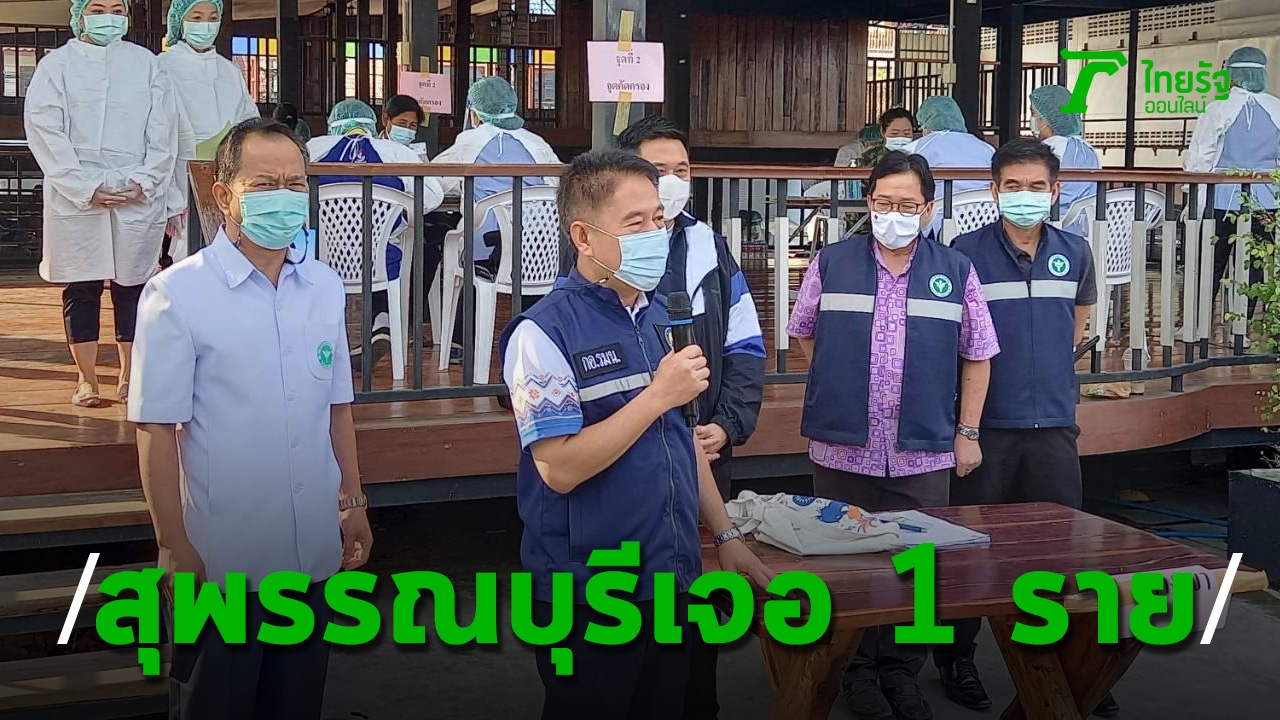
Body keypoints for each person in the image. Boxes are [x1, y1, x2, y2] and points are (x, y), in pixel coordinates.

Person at [499, 150, 774, 720]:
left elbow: (683, 438)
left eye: (658, 219)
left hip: (671, 576)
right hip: (589, 591)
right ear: (584, 236)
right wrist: (656, 397)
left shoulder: (658, 318)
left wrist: (725, 535)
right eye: (635, 223)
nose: (655, 233)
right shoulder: (542, 333)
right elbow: (559, 468)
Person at [128, 117, 373, 719]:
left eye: (295, 183)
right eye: (263, 184)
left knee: (296, 704)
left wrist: (353, 502)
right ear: (223, 195)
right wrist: (173, 545)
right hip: (221, 561)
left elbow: (336, 407)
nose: (282, 197)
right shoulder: (176, 295)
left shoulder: (323, 286)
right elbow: (156, 430)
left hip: (309, 557)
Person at [787, 151, 998, 720]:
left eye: (907, 205)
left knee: (917, 565)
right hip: (842, 446)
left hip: (922, 449)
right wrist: (841, 384)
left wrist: (968, 432)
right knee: (847, 564)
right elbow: (805, 333)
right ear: (868, 202)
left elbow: (978, 354)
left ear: (927, 209)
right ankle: (854, 670)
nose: (894, 214)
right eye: (883, 203)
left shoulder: (955, 270)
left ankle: (902, 673)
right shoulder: (832, 262)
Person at [934, 137, 1115, 717]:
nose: (1025, 195)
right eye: (1012, 185)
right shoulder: (965, 254)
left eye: (1037, 186)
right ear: (994, 190)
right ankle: (956, 658)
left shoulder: (1076, 251)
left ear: (1055, 191)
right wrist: (964, 426)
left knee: (1057, 551)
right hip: (986, 427)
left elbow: (1077, 323)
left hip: (1055, 425)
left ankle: (1065, 663)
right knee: (967, 549)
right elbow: (955, 338)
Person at [616, 115, 766, 720]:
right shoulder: (603, 255)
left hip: (704, 455)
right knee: (628, 621)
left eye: (683, 169)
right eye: (660, 171)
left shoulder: (708, 245)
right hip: (626, 465)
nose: (674, 181)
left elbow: (746, 345)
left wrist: (726, 425)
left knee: (698, 610)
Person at [24, 0, 177, 408]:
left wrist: (145, 180)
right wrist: (83, 186)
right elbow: (44, 129)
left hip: (134, 193)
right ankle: (86, 378)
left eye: (116, 8)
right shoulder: (56, 66)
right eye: (97, 8)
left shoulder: (147, 65)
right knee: (82, 285)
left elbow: (164, 129)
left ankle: (129, 375)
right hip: (76, 196)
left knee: (132, 285)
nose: (108, 17)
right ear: (79, 15)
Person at [430, 75, 561, 360]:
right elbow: (557, 185)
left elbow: (434, 182)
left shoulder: (470, 141)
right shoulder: (537, 143)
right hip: (540, 249)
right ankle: (533, 343)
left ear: (475, 113)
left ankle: (460, 342)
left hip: (488, 248)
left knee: (467, 259)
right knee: (524, 270)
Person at [308, 99, 438, 372]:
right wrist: (401, 208)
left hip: (321, 259)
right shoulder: (397, 153)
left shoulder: (311, 149)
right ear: (376, 122)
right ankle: (382, 320)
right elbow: (432, 196)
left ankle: (322, 348)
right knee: (391, 245)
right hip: (380, 259)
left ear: (333, 124)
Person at [158, 0, 259, 265]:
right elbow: (158, 128)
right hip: (179, 174)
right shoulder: (162, 66)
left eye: (212, 18)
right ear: (180, 22)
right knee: (188, 256)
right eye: (197, 17)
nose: (206, 25)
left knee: (229, 251)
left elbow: (248, 119)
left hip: (228, 173)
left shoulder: (228, 70)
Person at [1184, 46, 1280, 320]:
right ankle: (1244, 325)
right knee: (1255, 263)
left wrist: (1193, 194)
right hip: (1266, 199)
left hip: (1222, 198)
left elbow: (1200, 156)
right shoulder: (1277, 108)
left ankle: (1198, 322)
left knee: (1211, 261)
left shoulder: (1218, 108)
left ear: (1234, 75)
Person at [904, 96, 994, 238]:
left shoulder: (919, 147)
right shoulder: (986, 148)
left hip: (942, 222)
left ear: (926, 125)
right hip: (986, 218)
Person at [1028, 84, 1102, 236]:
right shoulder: (1089, 150)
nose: (1033, 120)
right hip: (1087, 230)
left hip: (1053, 229)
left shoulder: (1048, 150)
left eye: (1034, 114)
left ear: (1048, 118)